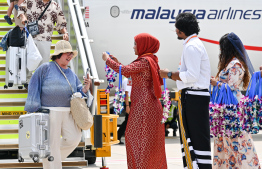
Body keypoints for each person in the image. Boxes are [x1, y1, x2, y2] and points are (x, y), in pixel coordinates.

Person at [102, 33, 167, 169]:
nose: (133, 47)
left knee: (138, 141)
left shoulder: (144, 61)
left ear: (144, 45)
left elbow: (125, 70)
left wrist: (108, 60)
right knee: (144, 142)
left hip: (144, 106)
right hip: (146, 105)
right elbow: (127, 71)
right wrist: (116, 62)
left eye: (136, 44)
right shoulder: (149, 60)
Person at [24, 40, 93, 169]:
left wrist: (85, 88)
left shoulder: (71, 73)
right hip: (49, 112)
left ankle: (49, 158)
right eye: (67, 53)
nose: (70, 56)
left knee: (74, 139)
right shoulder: (45, 68)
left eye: (71, 54)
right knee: (52, 144)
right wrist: (33, 108)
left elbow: (78, 91)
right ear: (59, 54)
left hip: (68, 112)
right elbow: (34, 85)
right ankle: (51, 161)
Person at [160, 13, 212, 169]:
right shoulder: (194, 44)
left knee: (193, 137)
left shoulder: (191, 46)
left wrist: (168, 74)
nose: (175, 30)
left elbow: (191, 76)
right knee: (195, 138)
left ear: (182, 30)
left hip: (193, 97)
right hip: (195, 97)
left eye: (177, 27)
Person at [210, 33, 260, 168]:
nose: (220, 51)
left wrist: (215, 83)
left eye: (222, 48)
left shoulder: (235, 64)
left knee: (236, 140)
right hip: (226, 106)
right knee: (227, 141)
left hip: (233, 107)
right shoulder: (232, 63)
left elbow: (230, 85)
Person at [17, 0, 69, 81]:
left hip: (45, 39)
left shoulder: (55, 6)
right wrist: (23, 16)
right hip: (30, 38)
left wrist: (65, 32)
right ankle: (28, 82)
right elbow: (20, 7)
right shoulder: (31, 1)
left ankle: (40, 83)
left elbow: (61, 23)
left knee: (43, 64)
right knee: (28, 61)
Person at [117, 77, 132, 144]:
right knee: (127, 121)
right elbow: (127, 93)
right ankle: (118, 136)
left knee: (128, 121)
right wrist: (127, 106)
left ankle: (118, 136)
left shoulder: (127, 79)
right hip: (129, 102)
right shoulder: (128, 80)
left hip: (129, 102)